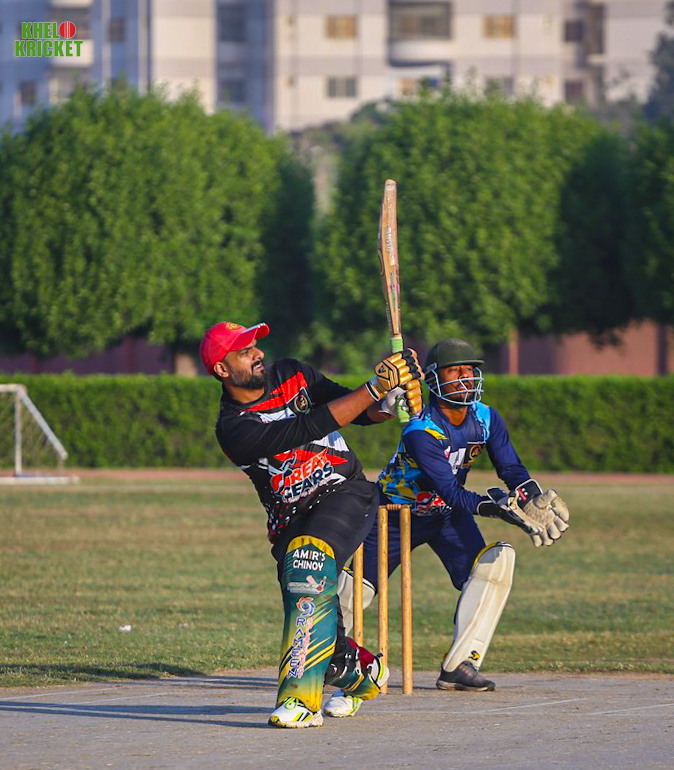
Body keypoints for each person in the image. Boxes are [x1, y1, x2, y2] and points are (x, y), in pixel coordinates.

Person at [201, 320, 423, 728]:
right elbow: (310, 425)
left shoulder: (292, 372)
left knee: (309, 562)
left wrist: (388, 403)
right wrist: (374, 387)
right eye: (245, 351)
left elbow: (351, 408)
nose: (258, 353)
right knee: (323, 638)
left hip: (345, 492)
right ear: (221, 369)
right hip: (292, 520)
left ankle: (300, 701)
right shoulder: (233, 429)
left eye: (256, 345)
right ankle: (363, 671)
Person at [336, 337, 570, 707]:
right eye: (454, 371)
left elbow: (511, 468)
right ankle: (323, 660)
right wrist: (495, 509)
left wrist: (530, 496)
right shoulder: (420, 431)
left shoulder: (486, 418)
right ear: (433, 379)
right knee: (352, 592)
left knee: (498, 561)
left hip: (445, 517)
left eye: (470, 370)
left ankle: (460, 665)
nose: (465, 378)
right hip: (393, 514)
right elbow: (449, 490)